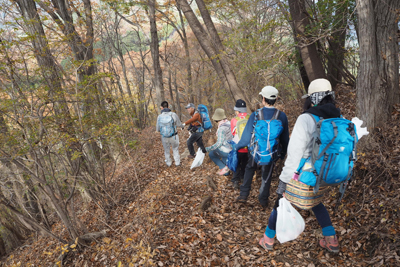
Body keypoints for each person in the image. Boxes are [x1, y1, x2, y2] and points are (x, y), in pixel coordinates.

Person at [259, 78, 340, 253]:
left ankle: (268, 238)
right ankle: (331, 239)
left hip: (305, 173)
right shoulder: (338, 117)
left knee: (281, 201)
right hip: (326, 173)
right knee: (316, 202)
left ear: (312, 98)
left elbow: (295, 152)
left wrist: (284, 179)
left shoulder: (307, 119)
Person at [235, 86, 289, 209]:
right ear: (275, 99)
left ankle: (243, 195)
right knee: (267, 174)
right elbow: (285, 138)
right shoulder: (281, 116)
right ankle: (263, 200)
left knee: (249, 168)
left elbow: (246, 138)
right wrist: (282, 153)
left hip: (256, 151)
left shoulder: (255, 115)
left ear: (263, 98)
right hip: (271, 152)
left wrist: (236, 147)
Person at [206, 108, 233, 175]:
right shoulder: (229, 123)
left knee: (211, 154)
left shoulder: (221, 128)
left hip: (226, 150)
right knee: (225, 171)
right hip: (233, 148)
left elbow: (218, 144)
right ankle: (225, 169)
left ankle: (224, 169)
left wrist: (207, 149)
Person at [156, 101, 183, 167]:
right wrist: (183, 126)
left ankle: (169, 163)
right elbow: (179, 124)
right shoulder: (173, 114)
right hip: (174, 136)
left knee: (166, 150)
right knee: (175, 149)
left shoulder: (159, 117)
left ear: (161, 108)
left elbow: (158, 129)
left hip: (164, 137)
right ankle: (177, 163)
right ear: (168, 107)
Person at [230, 99, 249, 189]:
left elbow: (233, 133)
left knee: (236, 164)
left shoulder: (234, 120)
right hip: (249, 147)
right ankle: (244, 180)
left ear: (237, 110)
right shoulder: (250, 117)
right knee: (245, 164)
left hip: (238, 147)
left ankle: (236, 181)